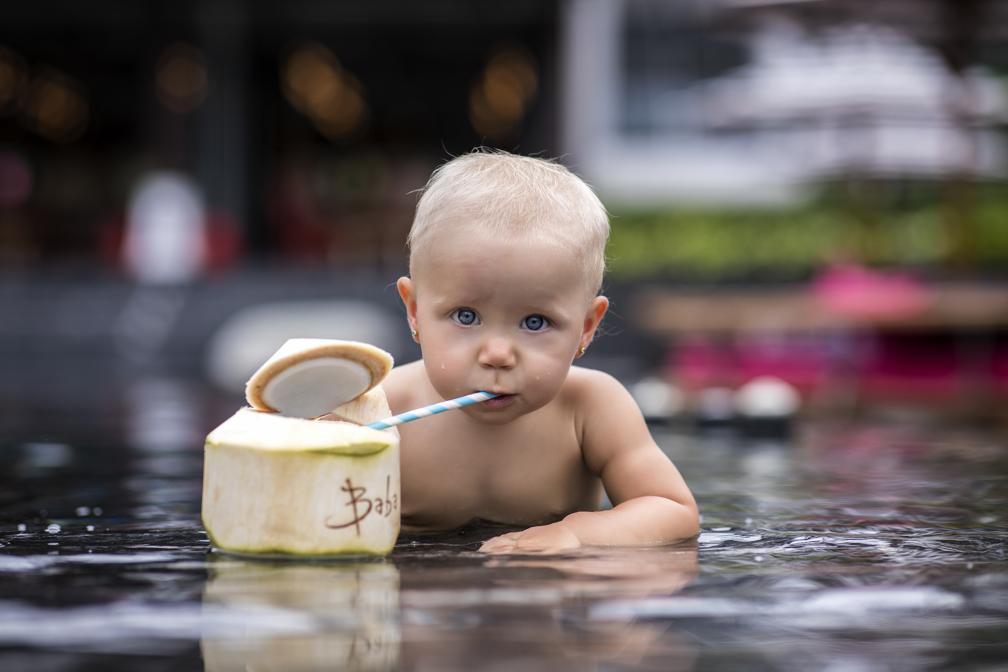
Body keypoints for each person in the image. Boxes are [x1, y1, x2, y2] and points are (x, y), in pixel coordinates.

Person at [384, 149, 698, 553]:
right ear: (414, 311)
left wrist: (576, 533)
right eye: (465, 316)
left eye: (535, 322)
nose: (497, 354)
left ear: (586, 327)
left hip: (547, 597)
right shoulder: (385, 406)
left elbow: (672, 508)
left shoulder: (590, 407)